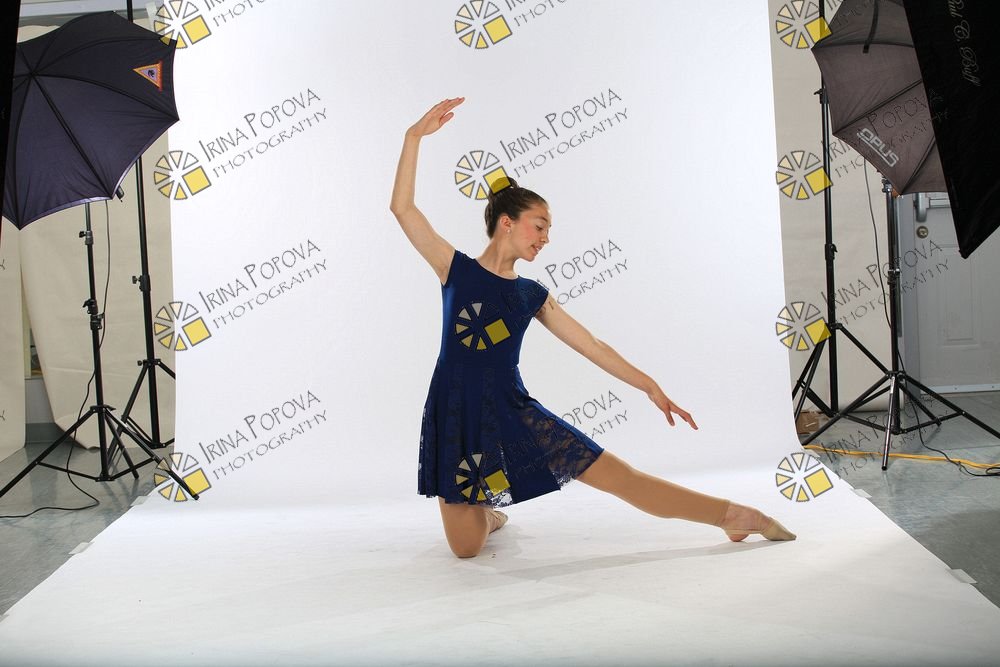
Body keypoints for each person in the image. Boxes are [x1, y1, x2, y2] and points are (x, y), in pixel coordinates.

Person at [390, 97, 795, 559]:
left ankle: (738, 516)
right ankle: (491, 511)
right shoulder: (455, 270)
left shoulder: (531, 294)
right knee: (465, 549)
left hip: (511, 409)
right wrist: (413, 137)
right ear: (507, 223)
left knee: (621, 478)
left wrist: (649, 385)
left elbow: (592, 346)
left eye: (548, 230)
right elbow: (403, 208)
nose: (546, 238)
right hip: (455, 412)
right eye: (539, 226)